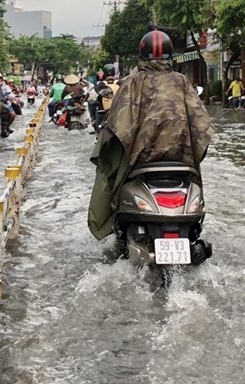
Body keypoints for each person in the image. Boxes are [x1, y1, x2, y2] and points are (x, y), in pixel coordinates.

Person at [87, 31, 213, 240]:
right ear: (170, 54)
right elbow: (201, 127)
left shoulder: (131, 83)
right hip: (180, 162)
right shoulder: (181, 82)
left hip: (139, 163)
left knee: (107, 176)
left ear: (141, 54)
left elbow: (117, 127)